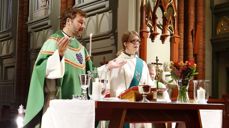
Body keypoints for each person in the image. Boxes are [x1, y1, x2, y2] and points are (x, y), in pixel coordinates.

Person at [23, 7, 126, 128]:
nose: (83, 26)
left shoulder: (80, 48)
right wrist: (59, 55)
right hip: (57, 104)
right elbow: (40, 69)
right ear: (68, 21)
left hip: (79, 107)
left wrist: (107, 67)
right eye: (80, 22)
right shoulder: (54, 41)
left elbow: (90, 73)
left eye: (84, 23)